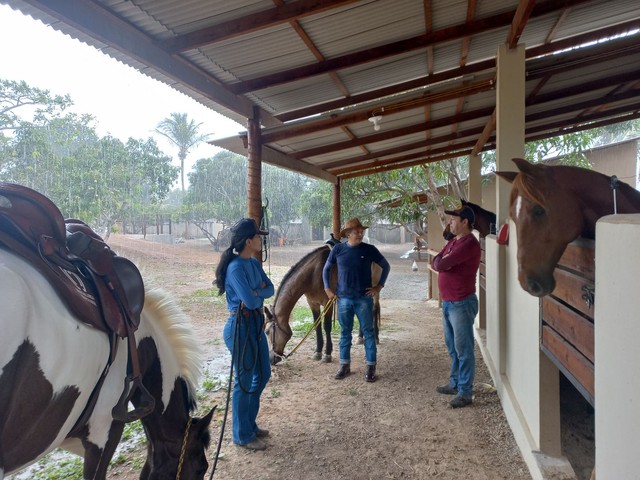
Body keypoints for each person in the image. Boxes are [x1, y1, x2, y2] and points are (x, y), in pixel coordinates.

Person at [214, 218, 274, 450]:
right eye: (258, 237)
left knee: (263, 373)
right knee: (244, 380)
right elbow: (250, 301)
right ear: (249, 241)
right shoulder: (236, 267)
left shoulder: (254, 263)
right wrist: (257, 293)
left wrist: (256, 293)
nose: (261, 240)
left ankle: (249, 424)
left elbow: (271, 288)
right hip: (239, 328)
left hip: (254, 325)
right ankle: (242, 435)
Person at [323, 218, 390, 383]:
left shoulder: (369, 249)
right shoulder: (338, 250)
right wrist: (327, 289)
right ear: (348, 234)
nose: (360, 234)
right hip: (343, 299)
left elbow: (386, 266)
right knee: (345, 333)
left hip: (364, 299)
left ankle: (370, 367)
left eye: (362, 231)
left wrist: (379, 286)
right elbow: (326, 268)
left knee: (368, 333)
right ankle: (344, 366)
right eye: (357, 232)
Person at [431, 205, 481, 408]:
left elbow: (441, 265)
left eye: (453, 219)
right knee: (453, 347)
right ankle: (455, 383)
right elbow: (436, 260)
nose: (450, 222)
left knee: (464, 349)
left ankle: (465, 392)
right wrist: (441, 261)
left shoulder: (469, 244)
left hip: (461, 303)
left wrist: (442, 262)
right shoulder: (453, 242)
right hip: (449, 302)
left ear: (465, 222)